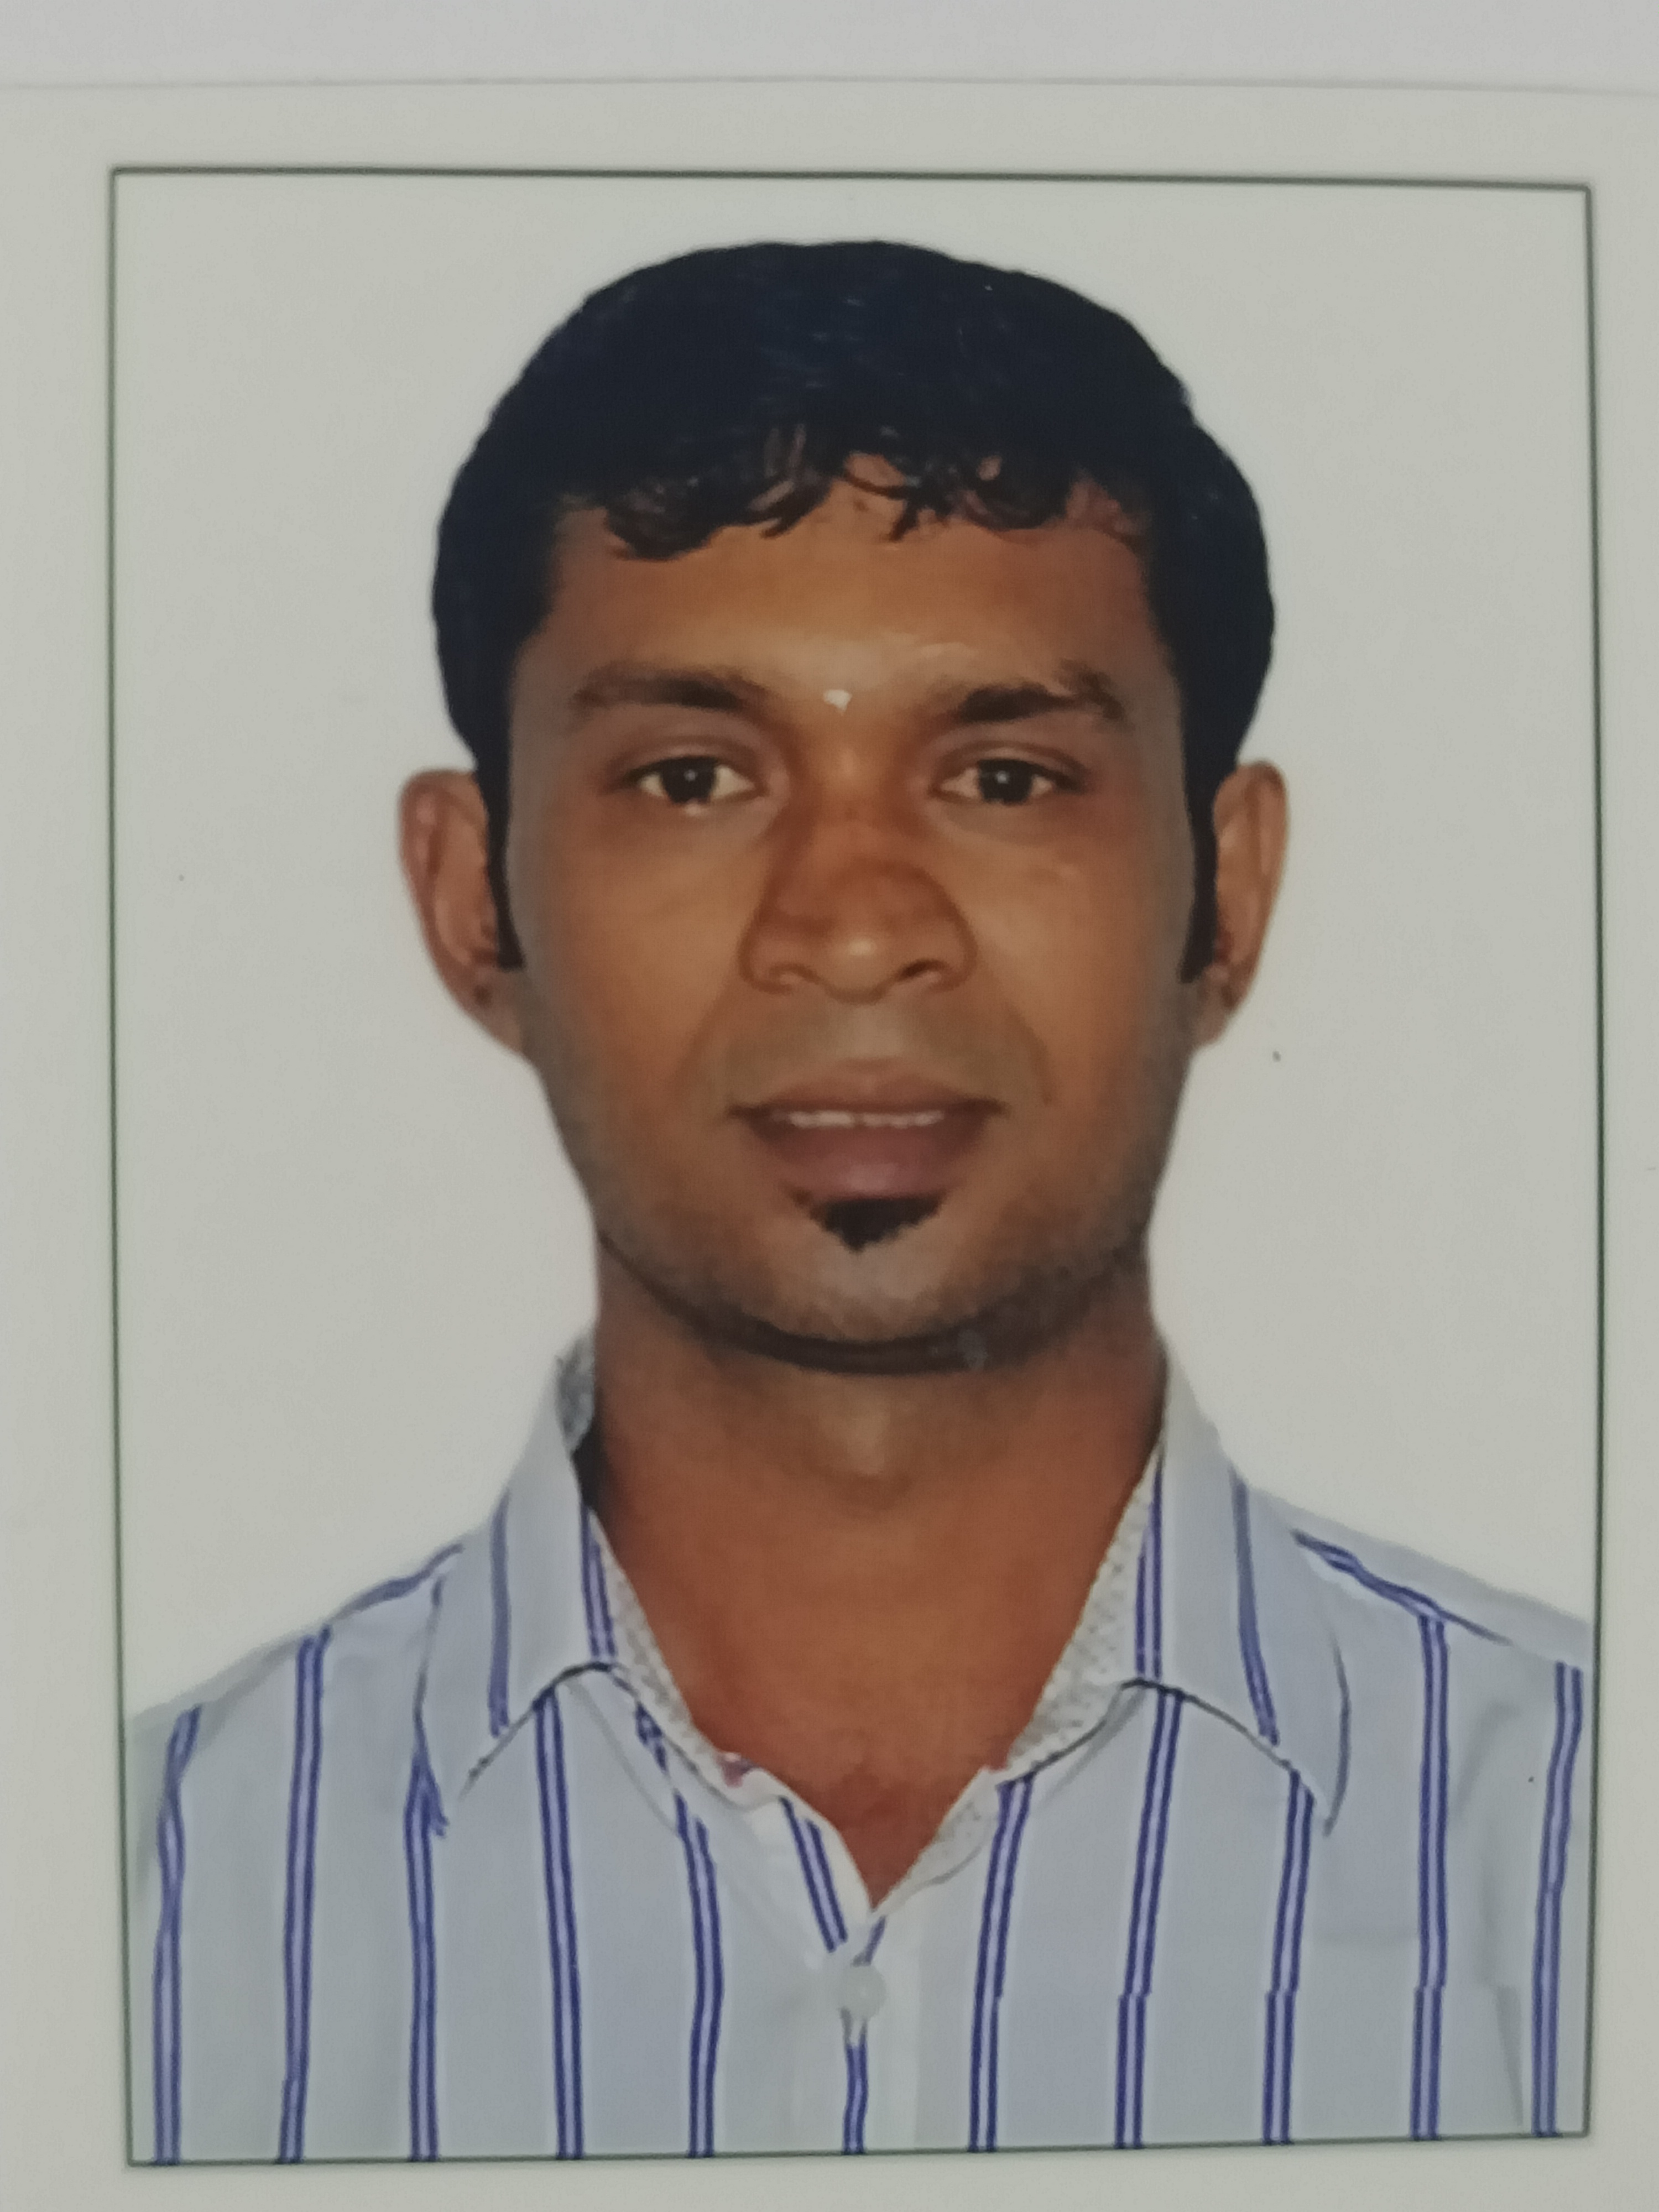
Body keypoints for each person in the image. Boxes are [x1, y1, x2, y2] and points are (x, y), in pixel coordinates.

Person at [126, 239, 1591, 2164]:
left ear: (1225, 894)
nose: (854, 926)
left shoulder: (1585, 1865)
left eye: (1005, 776)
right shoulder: (126, 1916)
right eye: (690, 777)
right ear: (474, 898)